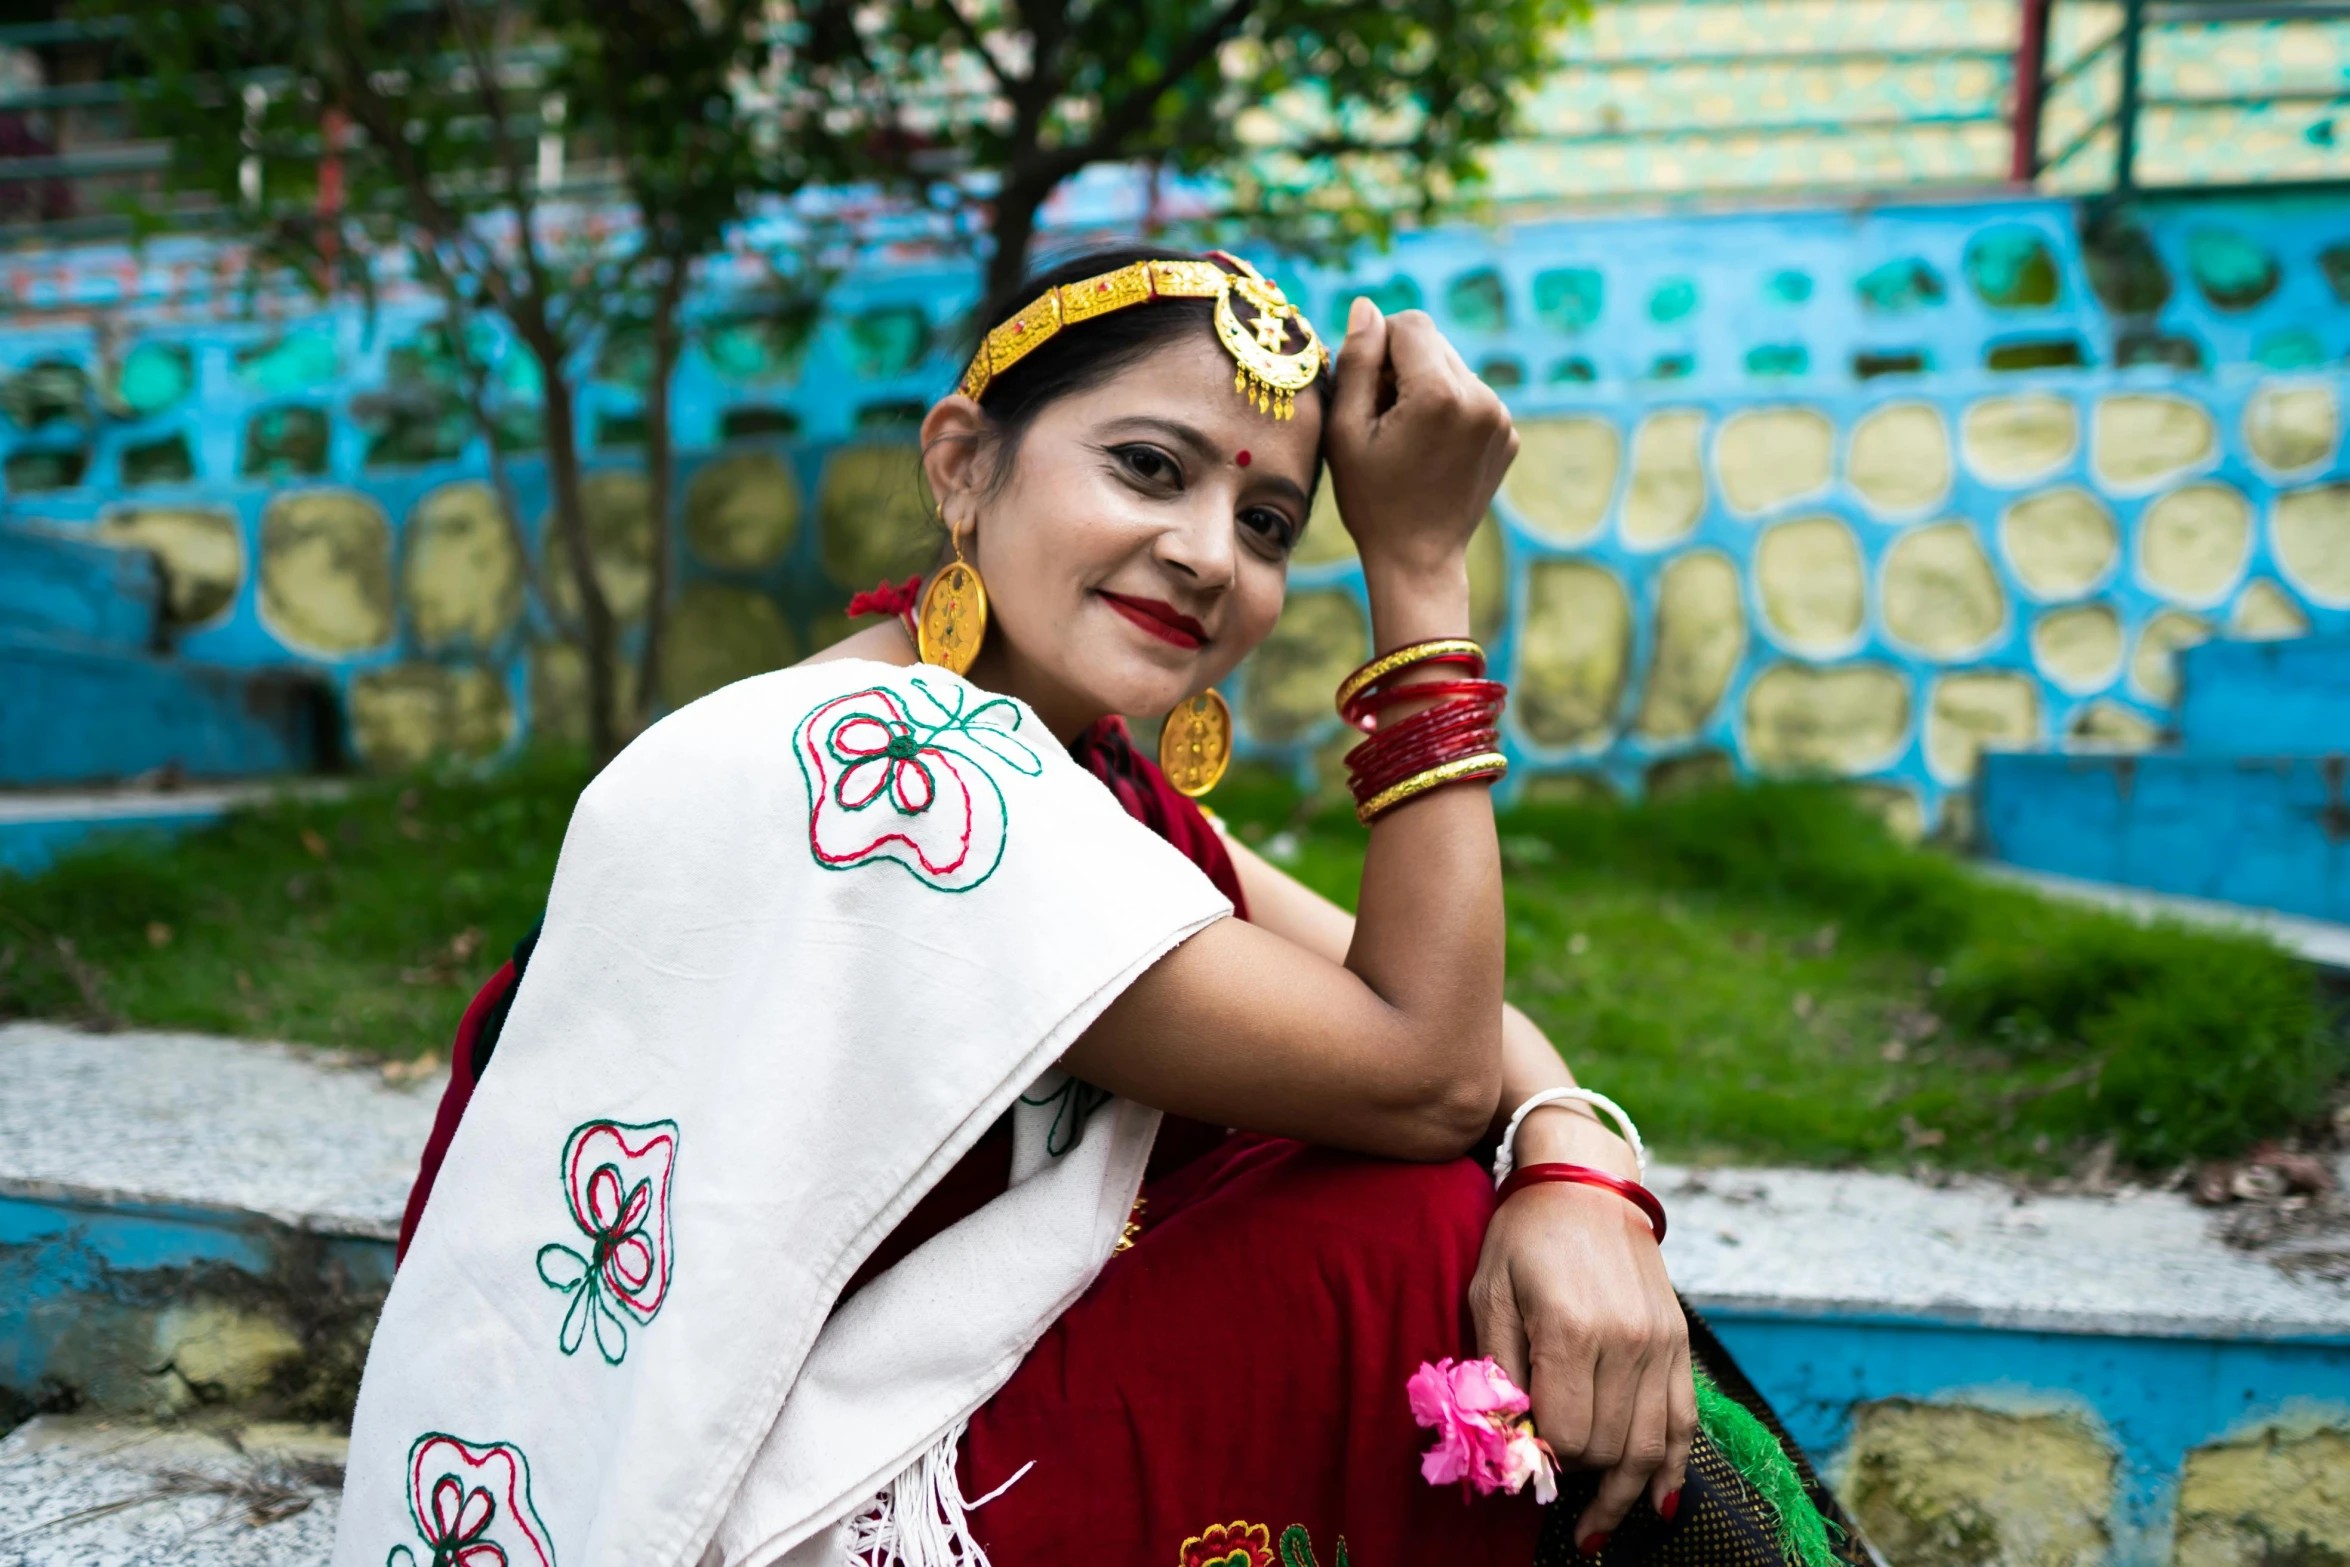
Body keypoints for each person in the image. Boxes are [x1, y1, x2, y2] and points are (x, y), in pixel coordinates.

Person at [353, 247, 1867, 1567]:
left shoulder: (1067, 777)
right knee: (1398, 1227)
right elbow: (1427, 1073)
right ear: (961, 463)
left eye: (1270, 522)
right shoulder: (888, 776)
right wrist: (1416, 567)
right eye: (1148, 467)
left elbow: (1467, 1037)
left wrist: (1576, 1173)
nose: (1209, 552)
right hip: (754, 1511)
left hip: (888, 1434)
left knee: (1440, 1206)